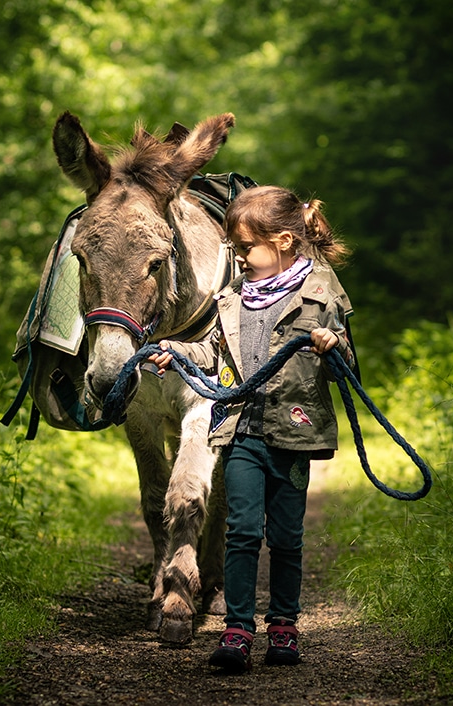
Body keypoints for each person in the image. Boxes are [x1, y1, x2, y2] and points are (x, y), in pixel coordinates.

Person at [148, 185, 356, 672]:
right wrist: (179, 352)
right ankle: (238, 630)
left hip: (293, 436)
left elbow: (347, 365)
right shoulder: (233, 300)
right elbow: (214, 355)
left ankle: (283, 626)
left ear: (283, 241)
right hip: (242, 433)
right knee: (241, 531)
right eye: (234, 250)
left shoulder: (321, 298)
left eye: (244, 249)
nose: (237, 258)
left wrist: (333, 345)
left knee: (285, 536)